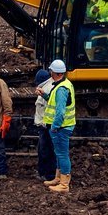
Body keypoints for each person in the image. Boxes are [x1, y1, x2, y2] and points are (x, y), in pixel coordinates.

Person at [44, 59, 75, 194]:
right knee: (59, 153)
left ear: (54, 73)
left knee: (62, 154)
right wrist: (44, 95)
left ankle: (64, 184)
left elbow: (60, 111)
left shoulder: (61, 89)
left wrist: (55, 126)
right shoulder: (63, 84)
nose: (50, 73)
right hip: (62, 127)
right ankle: (58, 178)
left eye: (51, 71)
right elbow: (55, 102)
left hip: (61, 127)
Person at [33, 66, 57, 183]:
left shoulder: (47, 88)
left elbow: (48, 107)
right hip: (47, 124)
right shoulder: (48, 86)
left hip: (46, 125)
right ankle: (46, 172)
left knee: (45, 150)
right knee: (46, 149)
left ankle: (48, 174)